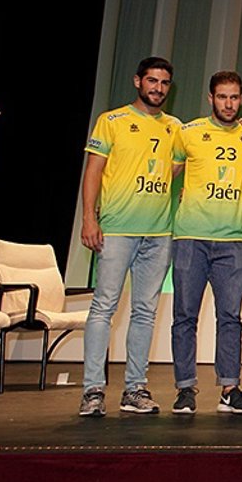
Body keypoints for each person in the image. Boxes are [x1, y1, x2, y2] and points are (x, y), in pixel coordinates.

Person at [78, 56, 181, 416]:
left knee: (145, 312)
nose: (158, 88)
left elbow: (191, 160)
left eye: (164, 83)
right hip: (117, 230)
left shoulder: (174, 127)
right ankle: (92, 390)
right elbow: (93, 172)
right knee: (103, 307)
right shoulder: (112, 121)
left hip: (159, 233)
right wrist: (89, 219)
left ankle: (134, 389)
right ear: (138, 81)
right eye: (152, 81)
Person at [170, 70, 242, 415]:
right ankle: (184, 389)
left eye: (234, 97)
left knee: (231, 317)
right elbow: (167, 172)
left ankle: (229, 387)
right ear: (210, 98)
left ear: (241, 99)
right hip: (190, 239)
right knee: (184, 316)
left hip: (233, 241)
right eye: (222, 97)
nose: (229, 103)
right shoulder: (188, 133)